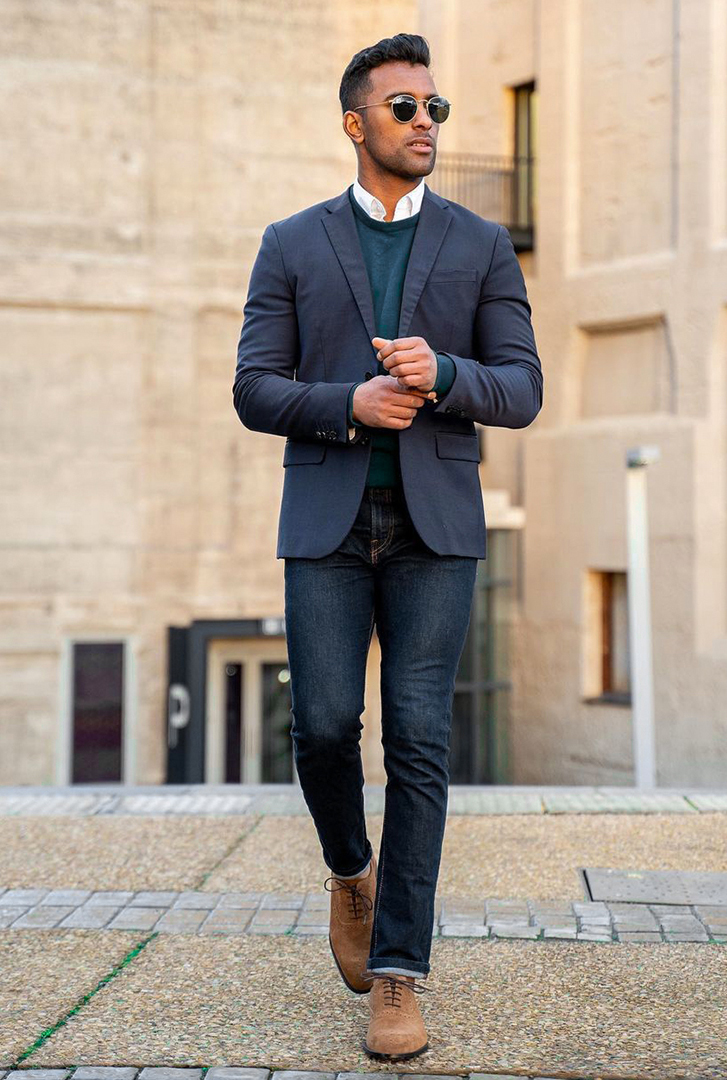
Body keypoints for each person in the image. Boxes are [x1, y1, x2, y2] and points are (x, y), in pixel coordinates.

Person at [233, 31, 543, 1063]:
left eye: (435, 107)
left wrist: (446, 375)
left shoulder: (481, 243)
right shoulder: (289, 242)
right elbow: (254, 387)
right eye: (404, 107)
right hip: (326, 521)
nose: (425, 122)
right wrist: (349, 404)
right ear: (355, 123)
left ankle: (399, 977)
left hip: (435, 530)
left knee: (417, 743)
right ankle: (349, 874)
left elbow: (523, 386)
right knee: (322, 728)